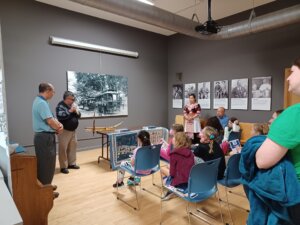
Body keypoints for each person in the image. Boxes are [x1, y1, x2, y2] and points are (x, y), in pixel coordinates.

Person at [254, 58, 300, 224]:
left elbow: (262, 161)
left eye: (293, 72)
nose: (288, 77)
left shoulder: (293, 114)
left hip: (293, 196)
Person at [32, 83, 63, 198]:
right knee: (46, 165)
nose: (54, 94)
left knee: (47, 164)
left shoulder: (40, 102)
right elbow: (50, 121)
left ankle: (46, 185)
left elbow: (51, 118)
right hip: (44, 137)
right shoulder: (41, 103)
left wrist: (58, 125)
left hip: (44, 137)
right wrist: (59, 127)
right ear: (48, 90)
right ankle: (45, 192)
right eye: (53, 91)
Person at [161, 132, 195, 200]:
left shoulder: (174, 154)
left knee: (162, 169)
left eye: (174, 138)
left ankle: (172, 189)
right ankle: (172, 187)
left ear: (177, 141)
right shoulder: (190, 152)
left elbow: (172, 174)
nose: (172, 139)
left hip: (179, 180)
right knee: (168, 166)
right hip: (189, 179)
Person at [56, 91, 81, 174]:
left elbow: (79, 115)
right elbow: (61, 116)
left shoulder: (73, 105)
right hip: (64, 131)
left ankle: (72, 164)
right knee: (63, 149)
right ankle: (63, 167)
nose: (73, 100)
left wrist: (76, 111)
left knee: (73, 147)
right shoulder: (60, 105)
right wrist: (70, 111)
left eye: (73, 99)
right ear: (67, 98)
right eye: (72, 99)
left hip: (73, 131)